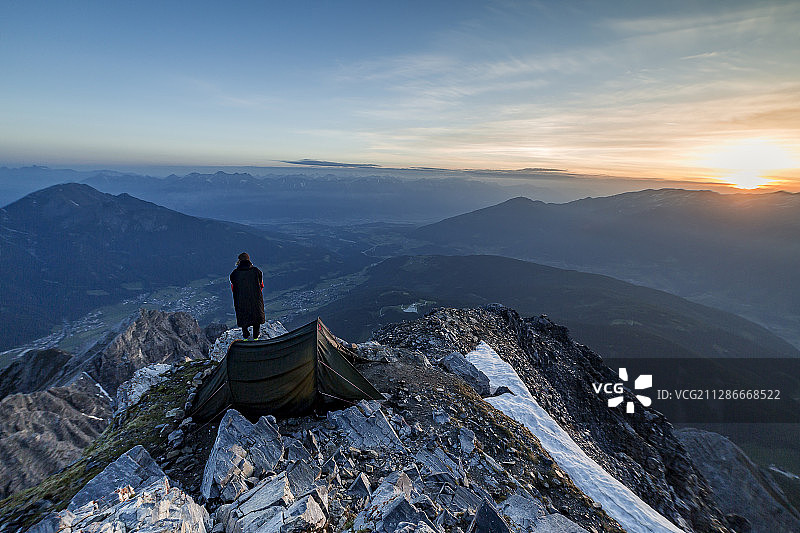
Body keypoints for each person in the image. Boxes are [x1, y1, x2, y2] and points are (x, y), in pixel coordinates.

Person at [230, 252, 265, 339]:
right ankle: (256, 336)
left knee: (243, 315)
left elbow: (233, 288)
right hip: (255, 298)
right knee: (256, 315)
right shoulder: (257, 271)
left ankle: (245, 335)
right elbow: (261, 285)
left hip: (241, 299)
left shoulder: (234, 274)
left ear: (239, 261)